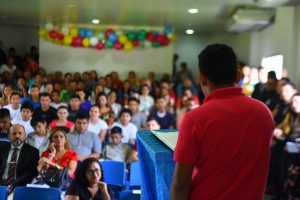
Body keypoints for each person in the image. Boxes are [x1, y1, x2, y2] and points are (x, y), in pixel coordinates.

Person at [170, 44, 275, 200]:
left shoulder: (195, 119)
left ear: (202, 78)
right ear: (238, 76)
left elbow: (180, 185)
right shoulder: (263, 112)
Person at [0, 124, 39, 193]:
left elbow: (30, 173)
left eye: (20, 133)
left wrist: (13, 185)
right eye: (14, 133)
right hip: (1, 184)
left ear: (24, 135)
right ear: (9, 136)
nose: (17, 136)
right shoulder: (2, 149)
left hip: (20, 186)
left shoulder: (33, 152)